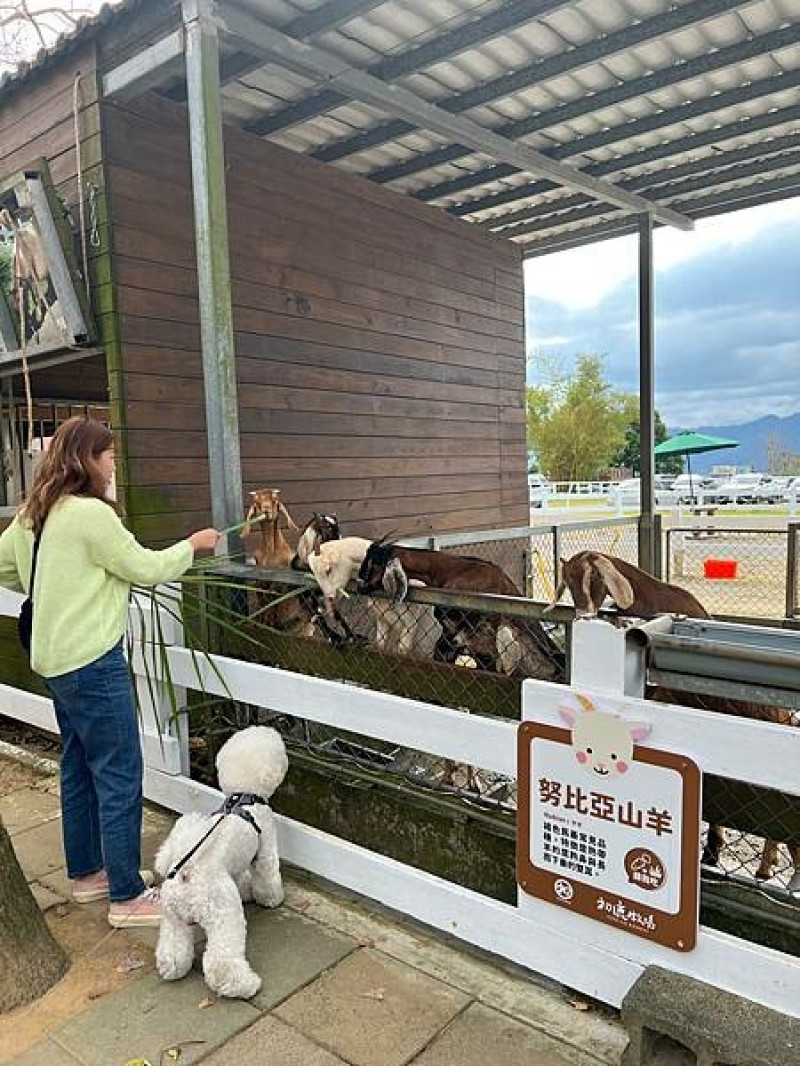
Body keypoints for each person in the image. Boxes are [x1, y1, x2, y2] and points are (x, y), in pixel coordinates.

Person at [0, 417, 220, 928]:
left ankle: (88, 875)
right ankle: (125, 895)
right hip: (93, 664)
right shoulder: (90, 515)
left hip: (54, 665)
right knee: (120, 773)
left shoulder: (36, 513)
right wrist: (194, 543)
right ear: (88, 459)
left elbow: (7, 567)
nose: (114, 462)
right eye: (109, 453)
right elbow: (146, 568)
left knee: (78, 767)